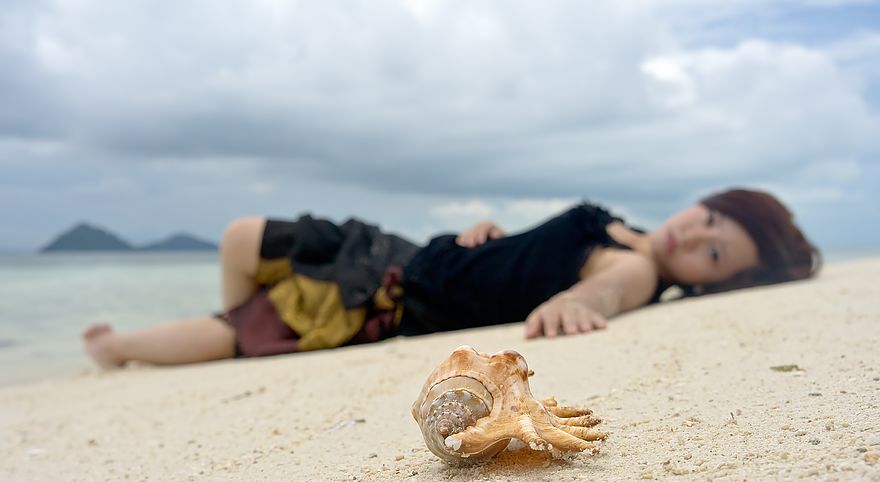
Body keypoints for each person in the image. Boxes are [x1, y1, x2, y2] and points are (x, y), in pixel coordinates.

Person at [82, 188, 821, 369]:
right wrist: (487, 235)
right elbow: (534, 255)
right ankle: (251, 323)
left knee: (245, 245)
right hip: (407, 253)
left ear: (706, 285)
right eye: (710, 220)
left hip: (390, 296)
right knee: (244, 237)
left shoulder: (630, 266)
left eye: (713, 255)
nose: (692, 236)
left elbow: (603, 292)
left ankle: (121, 348)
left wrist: (575, 305)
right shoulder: (620, 230)